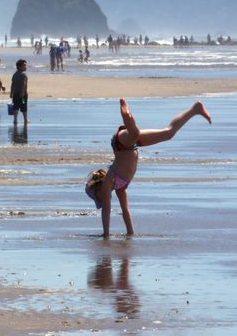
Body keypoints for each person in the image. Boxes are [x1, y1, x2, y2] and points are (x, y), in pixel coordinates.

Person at [85, 98, 212, 237]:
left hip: (120, 143)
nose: (102, 200)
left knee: (135, 133)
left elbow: (106, 211)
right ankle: (195, 109)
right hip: (132, 145)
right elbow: (126, 211)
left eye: (98, 198)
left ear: (97, 188)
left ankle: (126, 114)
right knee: (168, 133)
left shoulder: (109, 181)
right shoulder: (119, 187)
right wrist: (130, 234)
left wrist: (106, 235)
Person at [9, 59, 29, 125]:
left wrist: (11, 93)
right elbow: (24, 84)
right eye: (24, 65)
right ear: (19, 67)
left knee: (16, 106)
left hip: (15, 94)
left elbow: (12, 84)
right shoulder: (24, 74)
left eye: (26, 65)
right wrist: (23, 93)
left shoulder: (15, 74)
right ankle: (25, 120)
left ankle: (15, 120)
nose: (26, 67)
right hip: (23, 95)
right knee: (24, 106)